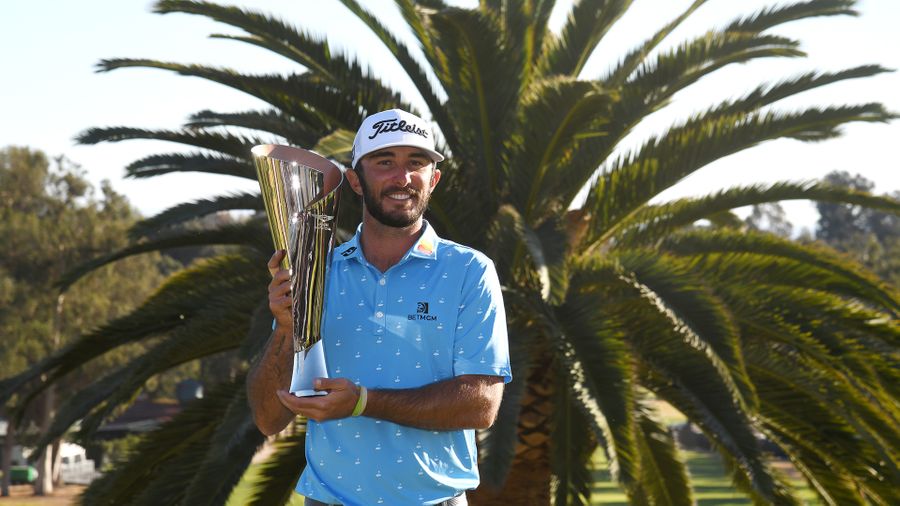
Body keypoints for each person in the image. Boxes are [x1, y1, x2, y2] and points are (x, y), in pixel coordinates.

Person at [247, 108, 512, 506]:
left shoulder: (469, 272)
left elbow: (482, 405)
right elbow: (269, 418)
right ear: (355, 179)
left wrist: (362, 402)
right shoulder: (317, 272)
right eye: (384, 162)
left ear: (433, 179)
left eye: (416, 163)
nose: (401, 177)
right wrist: (286, 328)